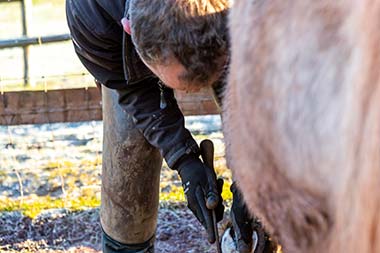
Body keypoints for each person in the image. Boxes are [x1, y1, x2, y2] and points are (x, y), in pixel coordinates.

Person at [66, 0, 267, 252]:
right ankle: (128, 245)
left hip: (232, 35)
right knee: (130, 140)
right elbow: (135, 91)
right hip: (116, 39)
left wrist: (251, 175)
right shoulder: (90, 18)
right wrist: (182, 157)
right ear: (129, 28)